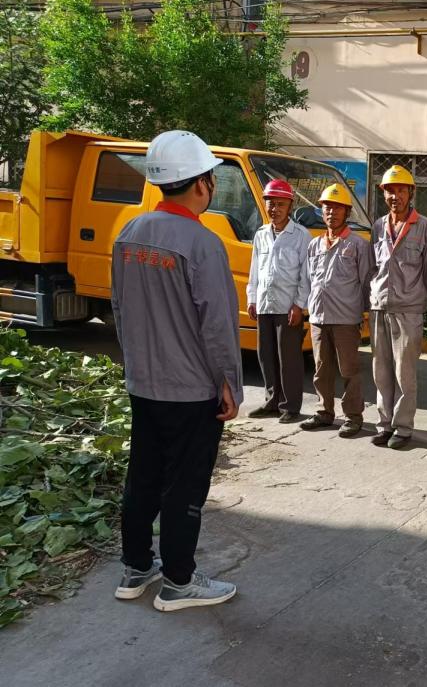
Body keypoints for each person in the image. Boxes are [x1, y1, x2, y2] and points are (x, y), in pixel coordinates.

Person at [110, 130, 242, 611]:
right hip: (190, 391)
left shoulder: (128, 233)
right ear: (202, 183)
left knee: (143, 475)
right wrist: (229, 383)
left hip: (144, 383)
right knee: (184, 485)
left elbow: (120, 309)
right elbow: (218, 324)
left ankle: (135, 568)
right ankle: (179, 582)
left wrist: (136, 365)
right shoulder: (203, 243)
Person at [369, 165, 427, 449]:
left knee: (404, 372)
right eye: (389, 191)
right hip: (380, 307)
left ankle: (403, 427)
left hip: (408, 310)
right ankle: (384, 424)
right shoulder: (378, 226)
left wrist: (420, 302)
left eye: (400, 190)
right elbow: (373, 267)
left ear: (411, 193)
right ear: (383, 194)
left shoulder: (425, 227)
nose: (395, 196)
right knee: (380, 370)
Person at [299, 183, 372, 436]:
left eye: (337, 208)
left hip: (345, 319)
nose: (332, 212)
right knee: (321, 369)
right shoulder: (314, 245)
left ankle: (353, 416)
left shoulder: (358, 245)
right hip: (319, 317)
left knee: (349, 370)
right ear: (322, 211)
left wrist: (364, 314)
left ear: (347, 212)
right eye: (327, 208)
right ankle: (324, 412)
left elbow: (366, 281)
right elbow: (309, 279)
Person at [245, 179, 311, 424]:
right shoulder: (261, 234)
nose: (275, 209)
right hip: (264, 304)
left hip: (288, 307)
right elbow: (255, 270)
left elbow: (306, 274)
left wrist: (299, 305)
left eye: (280, 204)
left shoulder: (301, 236)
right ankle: (272, 401)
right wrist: (252, 298)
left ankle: (290, 406)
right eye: (271, 204)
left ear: (290, 206)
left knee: (288, 359)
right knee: (266, 355)